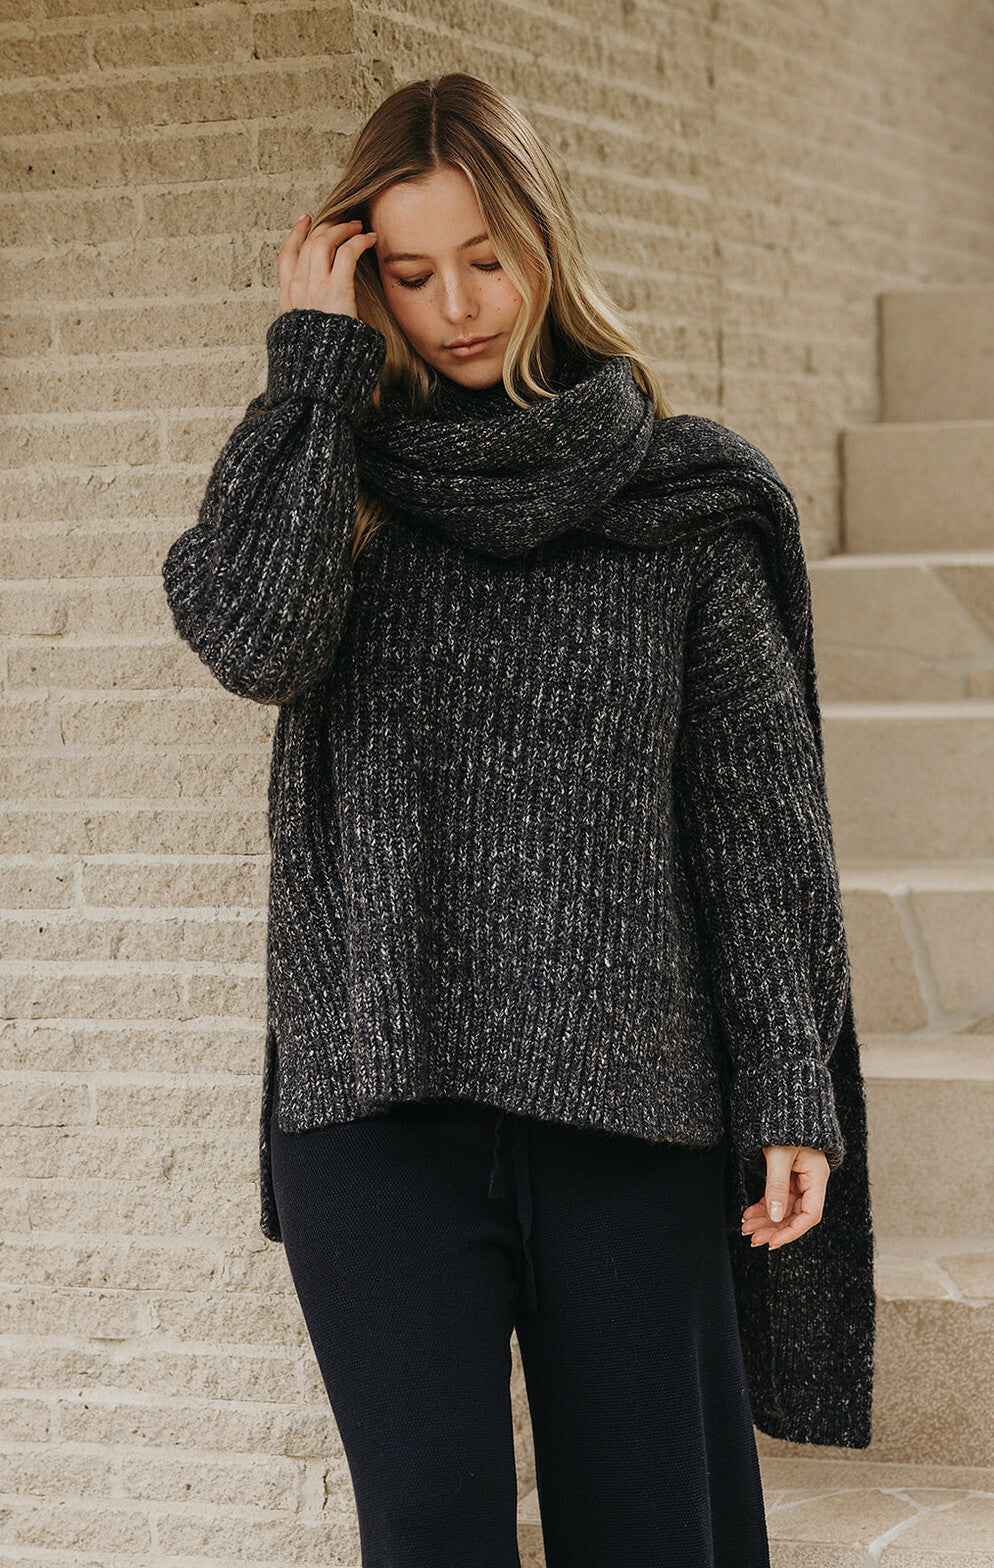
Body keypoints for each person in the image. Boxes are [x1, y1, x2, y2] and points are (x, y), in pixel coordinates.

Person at [162, 71, 876, 1568]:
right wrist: (311, 374)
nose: (457, 307)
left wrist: (787, 1082)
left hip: (628, 1107)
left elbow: (755, 828)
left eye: (486, 261)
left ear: (546, 244)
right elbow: (254, 641)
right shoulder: (331, 480)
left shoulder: (685, 498)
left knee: (656, 1537)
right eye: (410, 274)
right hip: (377, 1103)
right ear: (363, 279)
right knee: (429, 1535)